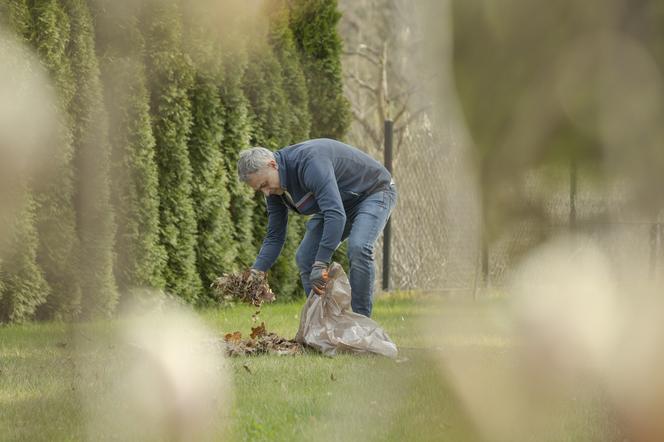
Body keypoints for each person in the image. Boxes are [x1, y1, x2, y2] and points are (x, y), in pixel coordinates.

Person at [237, 138, 397, 317]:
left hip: (374, 192)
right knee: (306, 257)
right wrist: (257, 271)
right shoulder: (274, 190)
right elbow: (275, 236)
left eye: (265, 184)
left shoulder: (310, 162)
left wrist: (321, 263)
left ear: (273, 164)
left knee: (359, 247)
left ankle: (363, 323)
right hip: (341, 203)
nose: (266, 192)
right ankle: (323, 324)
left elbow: (335, 215)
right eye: (260, 189)